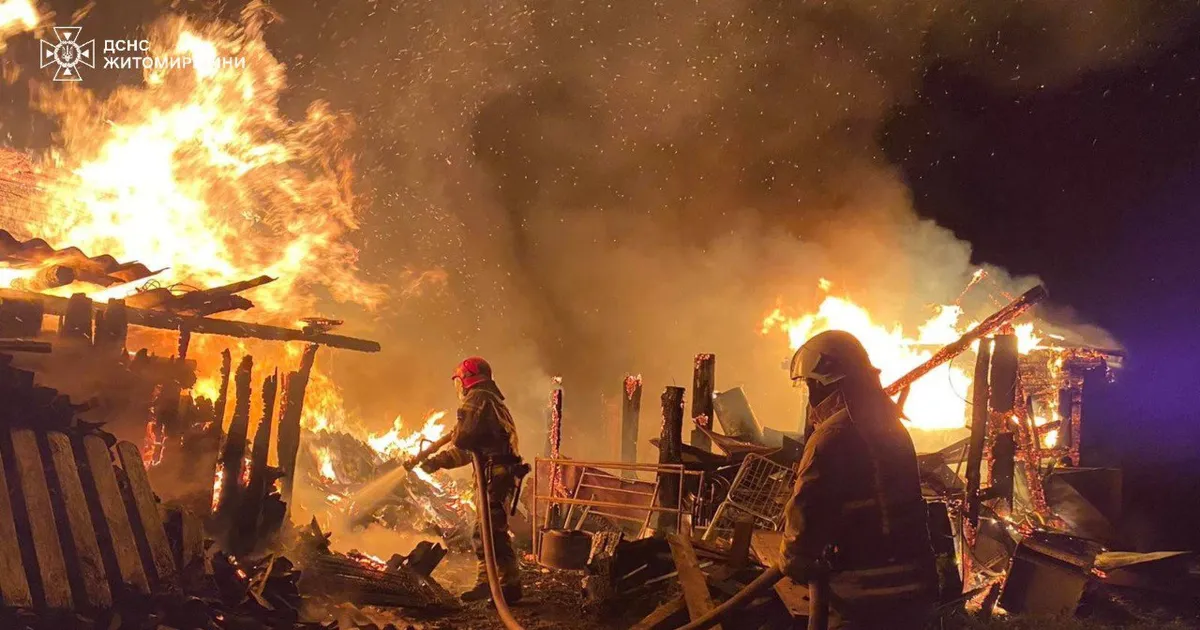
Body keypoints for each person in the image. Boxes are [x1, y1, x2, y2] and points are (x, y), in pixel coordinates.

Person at [780, 330, 938, 629]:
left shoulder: (831, 435)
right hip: (916, 589)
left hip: (862, 597)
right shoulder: (893, 427)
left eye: (810, 386)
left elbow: (806, 512)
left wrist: (793, 559)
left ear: (823, 384)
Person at [420, 356, 524, 603]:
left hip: (494, 476)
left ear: (467, 378)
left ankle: (495, 584)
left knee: (486, 531)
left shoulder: (478, 398)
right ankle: (502, 584)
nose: (458, 387)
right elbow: (470, 452)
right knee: (492, 532)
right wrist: (437, 461)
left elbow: (463, 439)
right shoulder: (492, 401)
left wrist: (456, 431)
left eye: (459, 380)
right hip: (498, 475)